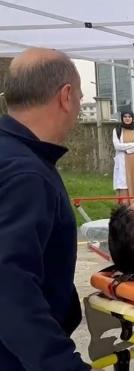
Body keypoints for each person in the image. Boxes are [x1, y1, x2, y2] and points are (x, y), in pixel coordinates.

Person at [0, 48, 93, 370]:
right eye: (80, 98)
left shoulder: (12, 155)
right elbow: (9, 283)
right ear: (66, 96)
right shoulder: (25, 174)